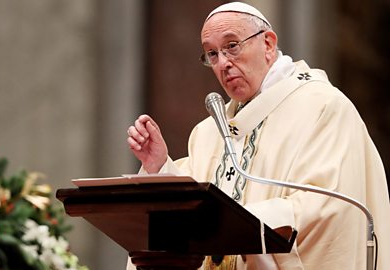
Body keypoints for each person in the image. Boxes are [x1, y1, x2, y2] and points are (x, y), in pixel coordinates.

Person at [126, 2, 390, 270]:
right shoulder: (209, 132)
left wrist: (235, 223)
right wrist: (159, 167)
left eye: (232, 46)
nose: (223, 63)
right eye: (212, 54)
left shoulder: (322, 108)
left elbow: (328, 207)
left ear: (268, 43)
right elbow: (190, 207)